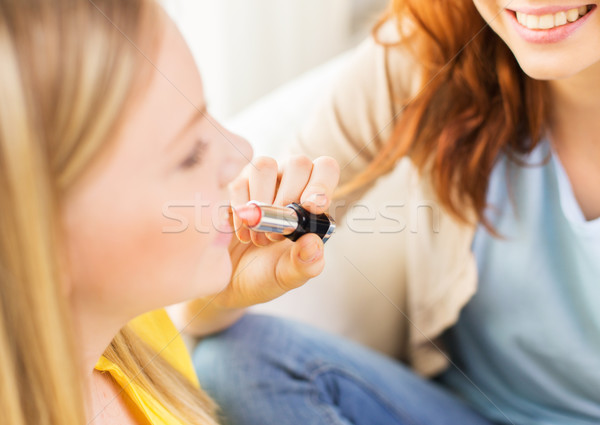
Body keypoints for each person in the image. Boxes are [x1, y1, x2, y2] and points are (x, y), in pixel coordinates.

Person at [192, 1, 600, 424]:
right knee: (233, 363)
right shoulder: (434, 43)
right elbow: (283, 217)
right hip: (461, 412)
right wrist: (222, 286)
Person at [0, 1, 340, 424]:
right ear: (41, 242)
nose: (244, 152)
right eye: (190, 153)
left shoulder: (138, 328)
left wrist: (217, 299)